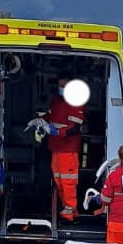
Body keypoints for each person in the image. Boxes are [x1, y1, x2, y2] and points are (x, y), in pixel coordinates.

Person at [46, 77, 85, 221]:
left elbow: (75, 128)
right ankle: (67, 209)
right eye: (59, 85)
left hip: (68, 148)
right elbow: (50, 116)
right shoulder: (56, 101)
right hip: (56, 147)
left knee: (68, 181)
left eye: (64, 85)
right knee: (59, 180)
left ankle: (70, 212)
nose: (61, 88)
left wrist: (59, 132)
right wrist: (41, 121)